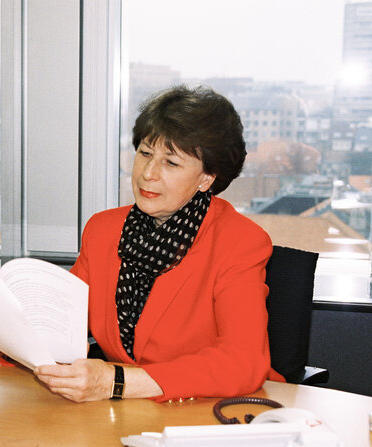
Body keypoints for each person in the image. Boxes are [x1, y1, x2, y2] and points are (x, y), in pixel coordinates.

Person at [33, 85, 284, 402]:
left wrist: (118, 382)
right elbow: (57, 320)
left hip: (206, 413)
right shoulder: (103, 230)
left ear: (207, 178)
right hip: (118, 415)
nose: (148, 173)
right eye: (145, 153)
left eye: (171, 163)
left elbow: (243, 363)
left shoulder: (240, 242)